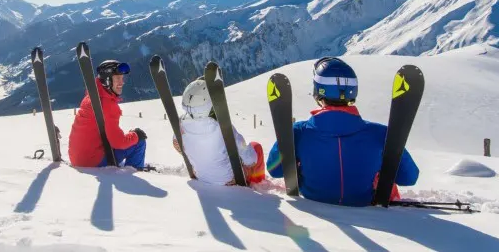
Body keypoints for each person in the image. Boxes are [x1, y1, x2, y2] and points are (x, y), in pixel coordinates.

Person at [266, 57, 419, 206]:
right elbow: (409, 178)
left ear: (318, 91)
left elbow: (276, 170)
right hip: (366, 208)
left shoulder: (299, 132)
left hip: (314, 205)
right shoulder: (381, 134)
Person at [172, 76, 265, 185]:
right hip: (229, 180)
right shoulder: (222, 126)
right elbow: (250, 160)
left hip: (200, 176)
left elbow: (176, 143)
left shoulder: (181, 124)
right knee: (256, 147)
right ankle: (259, 184)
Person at [68, 59, 150, 170]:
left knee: (130, 138)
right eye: (117, 78)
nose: (122, 82)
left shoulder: (92, 96)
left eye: (122, 78)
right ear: (107, 80)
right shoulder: (108, 105)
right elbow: (118, 142)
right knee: (139, 141)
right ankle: (133, 173)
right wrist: (135, 135)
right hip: (93, 162)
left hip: (78, 159)